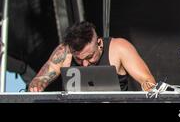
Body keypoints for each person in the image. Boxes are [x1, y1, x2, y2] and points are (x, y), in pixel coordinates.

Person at [28, 21, 156, 92]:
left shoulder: (119, 48)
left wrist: (147, 86)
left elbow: (147, 79)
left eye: (89, 57)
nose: (84, 64)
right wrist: (37, 84)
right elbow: (40, 79)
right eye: (78, 59)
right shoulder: (64, 52)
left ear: (99, 43)